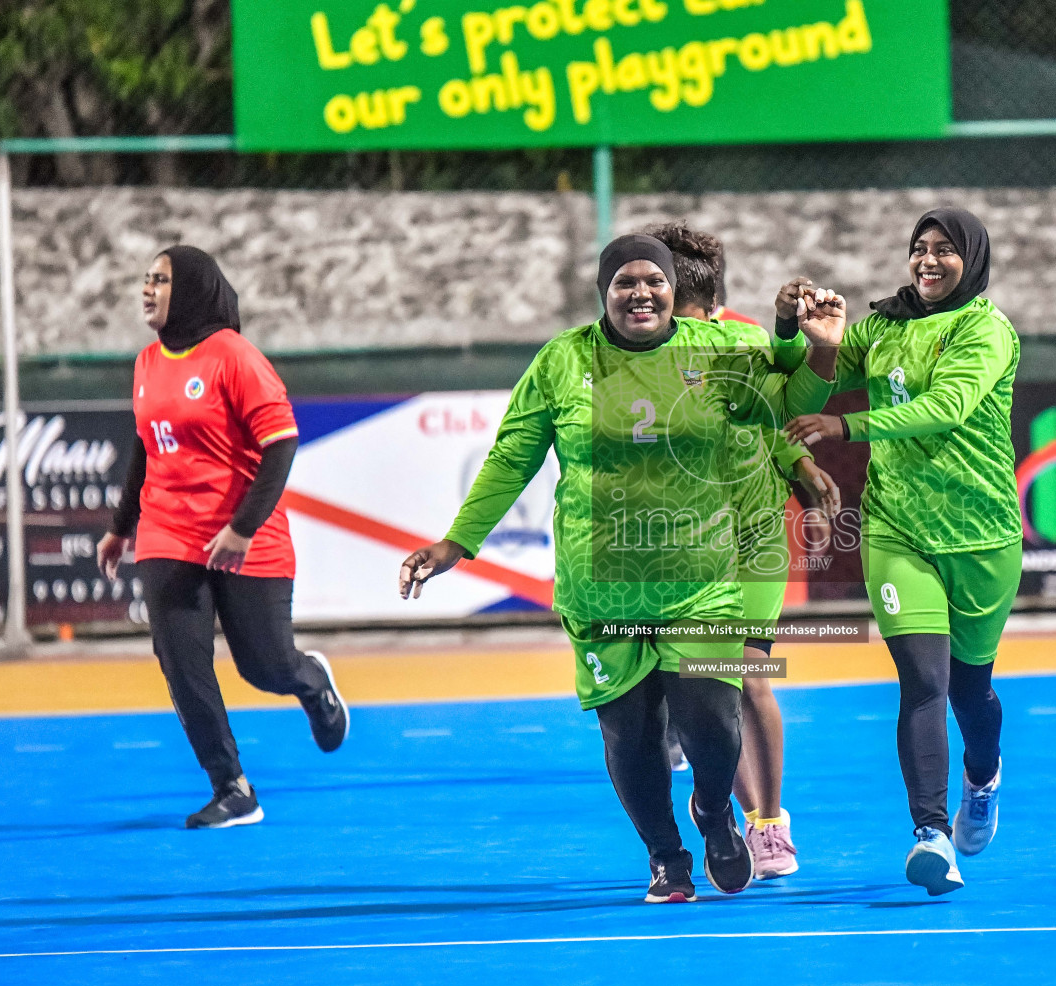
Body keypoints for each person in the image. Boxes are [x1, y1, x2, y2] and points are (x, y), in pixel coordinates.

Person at [398, 236, 843, 904]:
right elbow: (511, 456)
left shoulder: (719, 350)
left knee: (715, 720)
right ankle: (667, 858)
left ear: (672, 290)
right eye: (625, 283)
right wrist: (456, 543)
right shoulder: (563, 360)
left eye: (654, 282)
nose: (641, 294)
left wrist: (823, 349)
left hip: (702, 578)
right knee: (629, 733)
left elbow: (789, 400)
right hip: (600, 581)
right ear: (603, 293)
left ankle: (717, 812)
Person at [782, 208, 1021, 896]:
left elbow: (946, 406)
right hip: (896, 531)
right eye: (920, 248)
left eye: (945, 250)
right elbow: (810, 379)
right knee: (924, 682)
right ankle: (932, 835)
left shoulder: (987, 329)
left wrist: (846, 424)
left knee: (972, 691)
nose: (929, 260)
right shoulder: (881, 326)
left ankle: (984, 776)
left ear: (970, 260)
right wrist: (814, 339)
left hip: (982, 536)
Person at [96, 246, 349, 829]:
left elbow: (280, 443)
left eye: (160, 279)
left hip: (244, 534)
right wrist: (120, 527)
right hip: (167, 533)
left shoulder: (234, 357)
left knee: (263, 668)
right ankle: (233, 788)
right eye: (146, 279)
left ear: (190, 289)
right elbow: (145, 446)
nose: (147, 289)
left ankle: (308, 679)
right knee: (181, 662)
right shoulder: (145, 363)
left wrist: (241, 528)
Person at [644, 221, 841, 881]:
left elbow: (773, 419)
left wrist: (803, 473)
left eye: (658, 283)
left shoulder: (747, 341)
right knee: (700, 690)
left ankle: (769, 823)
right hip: (674, 544)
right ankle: (717, 809)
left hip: (751, 540)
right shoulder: (632, 354)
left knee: (751, 676)